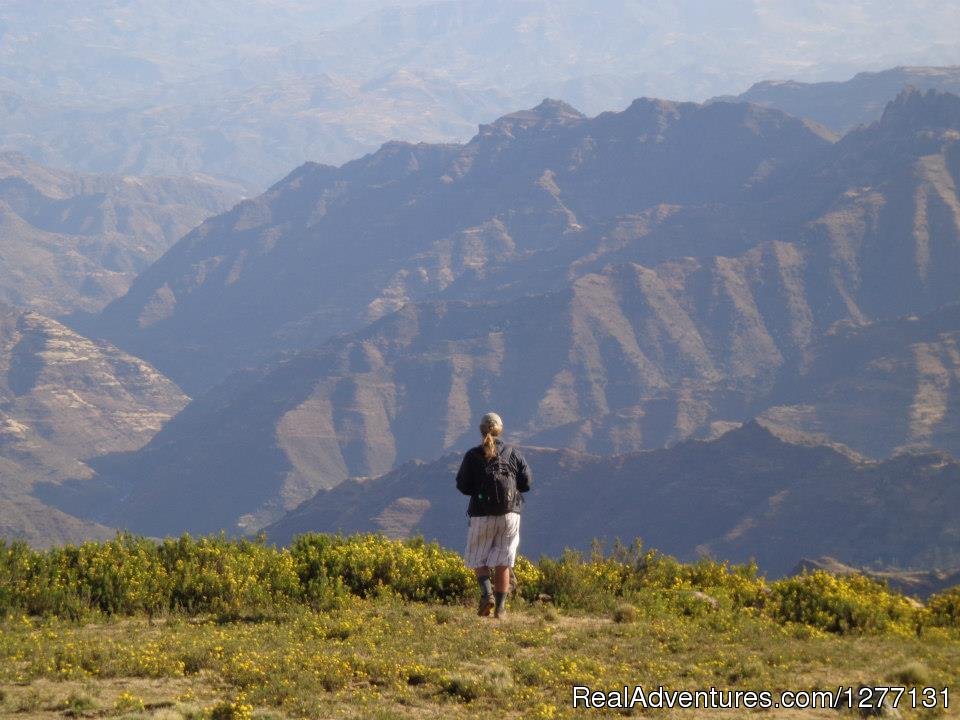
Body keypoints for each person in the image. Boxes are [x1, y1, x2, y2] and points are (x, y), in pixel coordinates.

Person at [455, 412, 531, 618]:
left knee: (478, 558)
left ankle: (487, 594)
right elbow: (526, 484)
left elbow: (462, 485)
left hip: (481, 514)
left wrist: (480, 492)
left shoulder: (473, 455)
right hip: (510, 515)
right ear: (500, 430)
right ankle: (500, 609)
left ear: (481, 430)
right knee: (503, 561)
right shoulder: (513, 453)